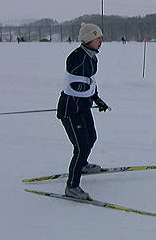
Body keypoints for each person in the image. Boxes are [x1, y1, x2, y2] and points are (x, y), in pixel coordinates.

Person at [57, 23, 109, 199]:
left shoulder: (92, 57)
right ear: (88, 39)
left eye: (101, 37)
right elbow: (76, 76)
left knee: (91, 138)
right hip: (71, 109)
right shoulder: (77, 57)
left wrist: (97, 99)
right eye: (98, 38)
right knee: (82, 146)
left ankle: (83, 165)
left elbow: (90, 82)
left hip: (84, 106)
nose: (101, 41)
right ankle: (72, 186)